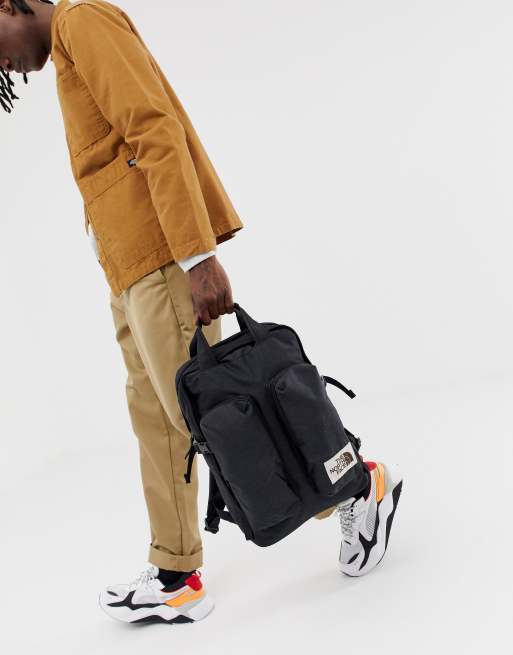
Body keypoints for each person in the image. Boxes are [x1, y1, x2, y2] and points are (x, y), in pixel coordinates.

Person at [0, 0, 403, 626]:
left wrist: (197, 257)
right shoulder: (68, 50)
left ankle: (357, 482)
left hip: (163, 256)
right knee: (161, 423)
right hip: (129, 268)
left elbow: (153, 127)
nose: (3, 66)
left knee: (221, 416)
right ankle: (175, 574)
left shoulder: (81, 21)